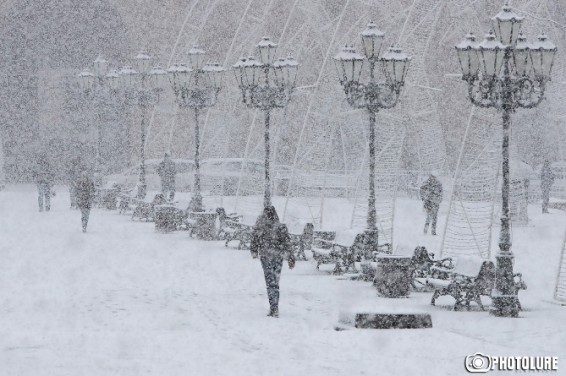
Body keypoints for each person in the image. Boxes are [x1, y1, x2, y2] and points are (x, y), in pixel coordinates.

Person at [250, 206, 295, 317]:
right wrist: (291, 258)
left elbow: (255, 239)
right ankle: (275, 306)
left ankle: (273, 307)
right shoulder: (281, 227)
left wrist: (254, 251)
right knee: (275, 281)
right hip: (278, 257)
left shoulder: (261, 227)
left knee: (270, 281)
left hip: (266, 257)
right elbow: (287, 243)